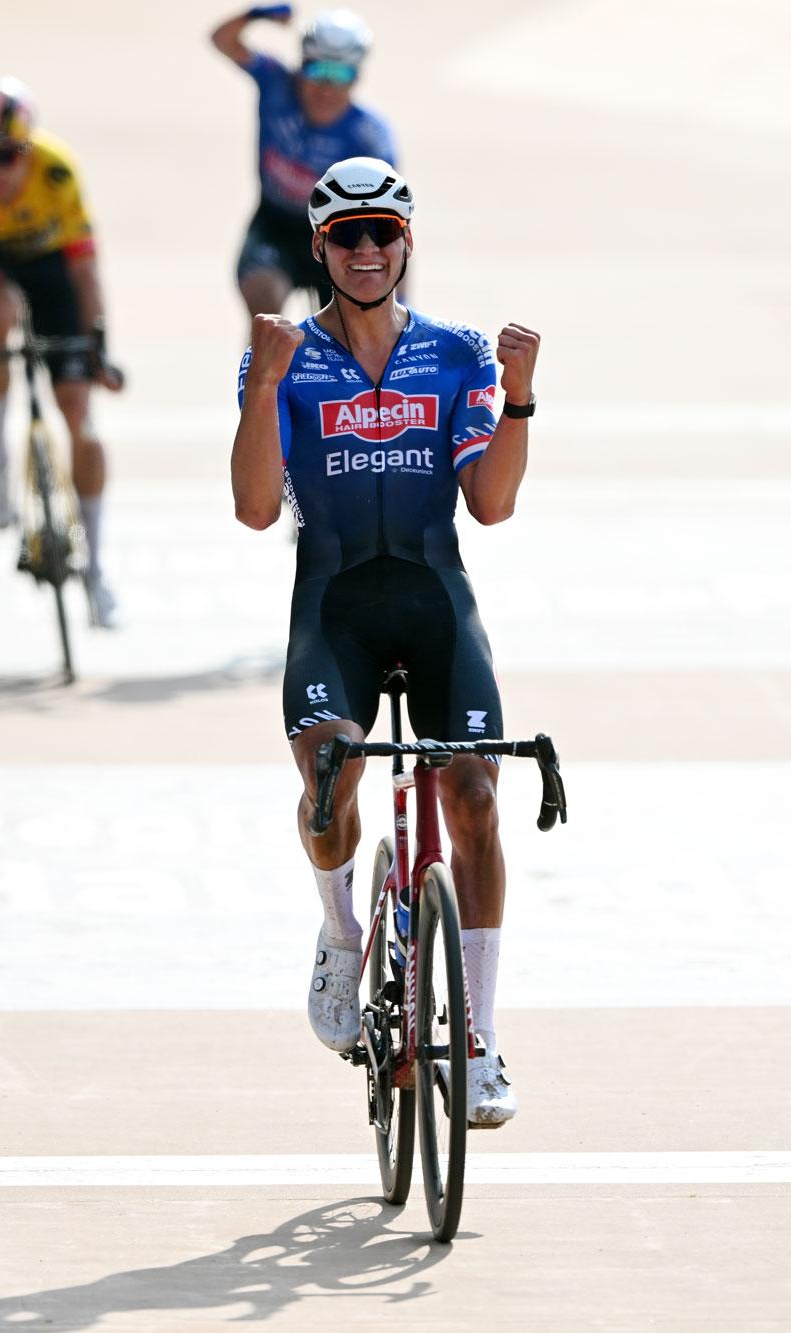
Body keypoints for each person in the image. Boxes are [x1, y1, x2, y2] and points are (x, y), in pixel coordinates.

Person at [231, 157, 541, 1127]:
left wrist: (520, 395)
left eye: (384, 233)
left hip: (433, 598)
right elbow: (250, 509)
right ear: (318, 247)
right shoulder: (282, 354)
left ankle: (481, 1042)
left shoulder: (455, 353)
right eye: (346, 236)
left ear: (408, 243)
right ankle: (337, 934)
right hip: (332, 607)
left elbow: (489, 506)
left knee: (477, 798)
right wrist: (264, 383)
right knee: (328, 781)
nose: (367, 250)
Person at [0, 77, 126, 628]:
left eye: (8, 156)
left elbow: (86, 269)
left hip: (52, 271)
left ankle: (97, 569)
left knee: (81, 421)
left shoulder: (56, 171)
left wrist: (100, 350)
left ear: (28, 148)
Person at [210, 7, 398, 317]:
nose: (327, 87)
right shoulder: (276, 85)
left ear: (357, 77)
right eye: (317, 71)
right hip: (275, 225)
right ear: (300, 67)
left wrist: (398, 297)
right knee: (265, 310)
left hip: (340, 236)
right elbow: (221, 40)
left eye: (341, 74)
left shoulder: (370, 137)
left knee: (350, 329)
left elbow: (391, 222)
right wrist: (257, 13)